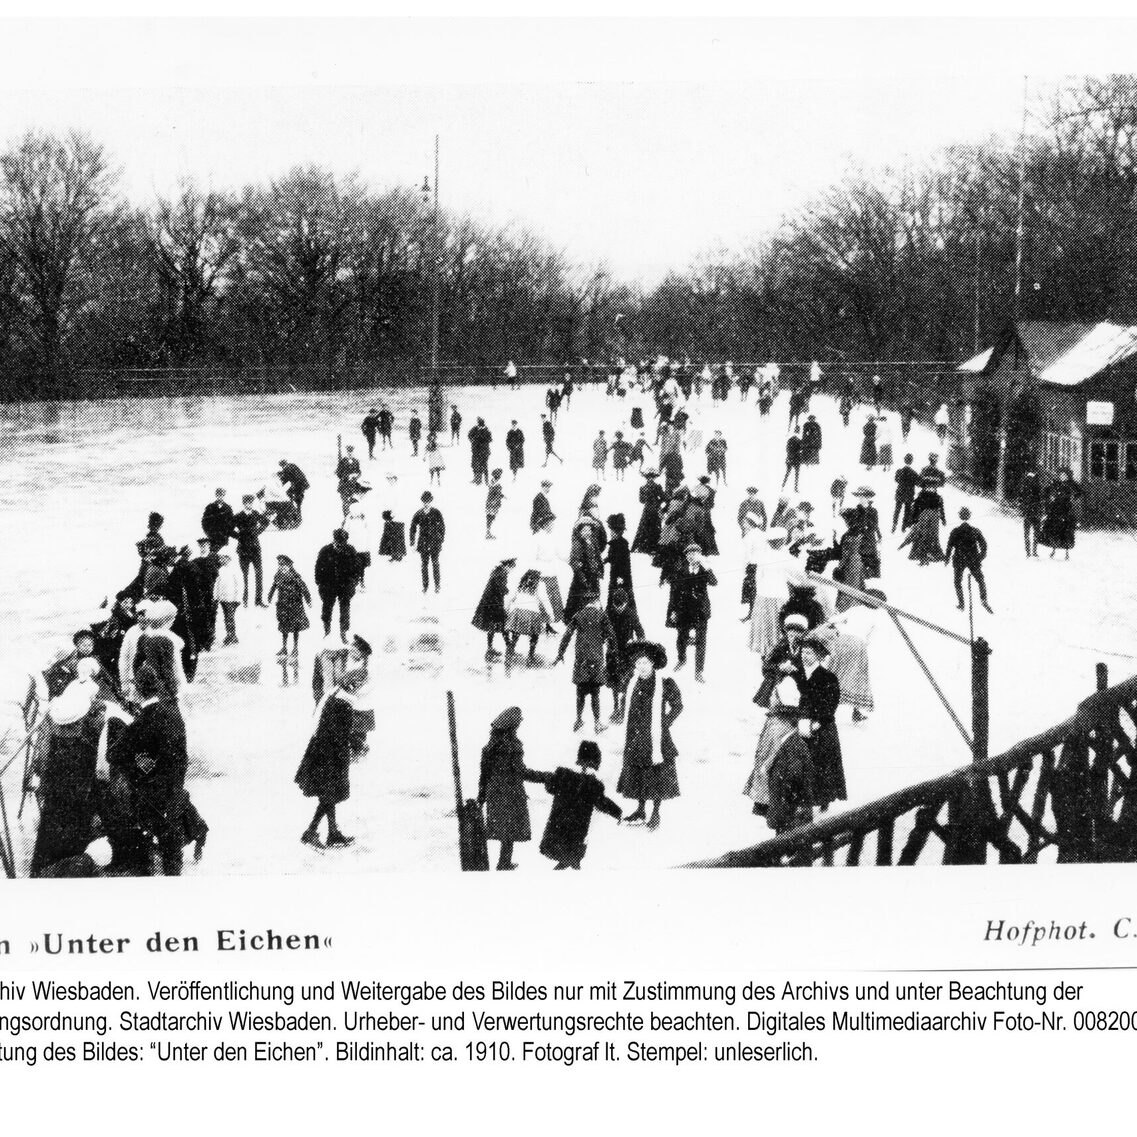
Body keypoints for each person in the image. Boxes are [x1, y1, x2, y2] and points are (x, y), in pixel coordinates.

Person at [107, 662, 189, 875]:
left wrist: (139, 763)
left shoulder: (143, 720)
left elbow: (114, 754)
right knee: (171, 838)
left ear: (137, 689)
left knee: (151, 835)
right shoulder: (172, 710)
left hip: (151, 792)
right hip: (176, 784)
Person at [616, 642, 682, 830]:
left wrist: (665, 723)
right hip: (635, 736)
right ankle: (640, 809)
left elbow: (678, 705)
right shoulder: (632, 681)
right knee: (638, 773)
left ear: (652, 663)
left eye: (644, 663)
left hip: (656, 737)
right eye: (638, 664)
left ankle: (655, 813)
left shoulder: (664, 682)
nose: (641, 667)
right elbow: (625, 702)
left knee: (656, 775)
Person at [743, 675, 816, 835]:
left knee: (779, 810)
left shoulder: (778, 726)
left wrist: (765, 766)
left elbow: (776, 752)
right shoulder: (777, 721)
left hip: (777, 778)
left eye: (773, 696)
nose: (770, 698)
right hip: (774, 773)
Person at [535, 741, 622, 869]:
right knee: (572, 860)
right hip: (575, 835)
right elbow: (602, 802)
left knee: (568, 861)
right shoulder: (594, 785)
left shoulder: (563, 775)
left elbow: (550, 787)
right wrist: (617, 812)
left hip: (556, 831)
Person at [477, 705, 542, 871]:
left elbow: (483, 773)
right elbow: (521, 771)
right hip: (511, 792)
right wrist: (545, 777)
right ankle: (504, 863)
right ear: (513, 727)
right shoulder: (513, 746)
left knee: (502, 829)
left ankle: (502, 862)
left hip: (494, 792)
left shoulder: (490, 746)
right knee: (510, 830)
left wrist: (481, 796)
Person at [296, 683, 359, 849]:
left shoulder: (332, 697)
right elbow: (341, 734)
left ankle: (332, 833)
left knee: (328, 795)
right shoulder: (343, 704)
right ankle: (310, 832)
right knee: (328, 796)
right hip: (331, 757)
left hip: (322, 753)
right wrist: (356, 744)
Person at [798, 633, 846, 814]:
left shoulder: (828, 678)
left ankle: (824, 799)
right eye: (803, 652)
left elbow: (830, 705)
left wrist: (817, 723)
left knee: (822, 764)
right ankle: (805, 800)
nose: (805, 656)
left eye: (809, 653)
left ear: (818, 656)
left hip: (822, 727)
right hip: (802, 725)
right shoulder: (800, 674)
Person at [555, 591, 614, 732]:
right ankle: (597, 723)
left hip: (581, 659)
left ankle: (578, 720)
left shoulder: (578, 615)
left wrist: (560, 653)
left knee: (580, 692)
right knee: (595, 693)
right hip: (596, 659)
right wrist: (612, 651)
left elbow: (567, 635)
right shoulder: (602, 615)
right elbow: (611, 636)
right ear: (595, 601)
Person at [667, 544, 717, 682]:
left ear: (700, 555)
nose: (692, 555)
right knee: (681, 638)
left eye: (695, 553)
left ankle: (699, 671)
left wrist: (707, 567)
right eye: (689, 553)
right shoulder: (680, 570)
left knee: (701, 641)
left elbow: (714, 582)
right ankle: (681, 659)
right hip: (684, 610)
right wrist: (673, 611)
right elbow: (674, 593)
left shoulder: (704, 569)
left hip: (701, 611)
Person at [606, 586, 644, 723]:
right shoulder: (609, 612)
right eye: (616, 606)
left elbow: (640, 631)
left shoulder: (631, 613)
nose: (618, 609)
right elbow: (602, 629)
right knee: (614, 682)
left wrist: (638, 645)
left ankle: (623, 709)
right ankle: (616, 708)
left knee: (627, 682)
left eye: (621, 606)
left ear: (626, 603)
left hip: (627, 654)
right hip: (612, 653)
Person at [755, 612, 808, 708]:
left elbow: (812, 666)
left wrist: (797, 668)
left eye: (798, 631)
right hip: (781, 675)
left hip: (800, 677)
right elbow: (767, 664)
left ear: (803, 633)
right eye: (790, 630)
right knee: (772, 678)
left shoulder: (807, 646)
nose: (793, 633)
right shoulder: (782, 645)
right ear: (786, 631)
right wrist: (780, 667)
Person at [945, 507, 992, 612]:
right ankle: (984, 600)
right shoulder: (975, 531)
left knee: (957, 582)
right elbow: (984, 545)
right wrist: (980, 557)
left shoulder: (955, 531)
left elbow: (949, 546)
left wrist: (947, 559)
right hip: (973, 560)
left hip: (959, 559)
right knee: (980, 580)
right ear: (969, 516)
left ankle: (961, 604)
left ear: (959, 516)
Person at [314, 529, 359, 637]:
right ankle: (327, 631)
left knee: (345, 609)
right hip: (328, 585)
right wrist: (320, 584)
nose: (340, 544)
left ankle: (343, 632)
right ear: (334, 540)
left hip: (345, 585)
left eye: (343, 542)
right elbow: (318, 568)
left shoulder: (351, 550)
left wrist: (353, 583)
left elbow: (357, 568)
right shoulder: (325, 551)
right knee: (327, 608)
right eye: (338, 542)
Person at [505, 569, 554, 666]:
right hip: (533, 613)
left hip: (518, 611)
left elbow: (511, 598)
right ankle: (530, 658)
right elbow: (544, 600)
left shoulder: (521, 583)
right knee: (534, 636)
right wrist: (550, 614)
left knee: (515, 635)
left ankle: (509, 656)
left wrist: (506, 610)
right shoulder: (539, 585)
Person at [267, 554, 312, 657]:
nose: (282, 567)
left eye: (284, 565)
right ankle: (284, 648)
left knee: (296, 627)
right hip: (282, 605)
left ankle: (295, 648)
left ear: (289, 566)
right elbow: (273, 587)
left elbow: (304, 588)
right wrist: (269, 596)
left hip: (295, 606)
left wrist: (308, 600)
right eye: (280, 565)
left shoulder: (296, 577)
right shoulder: (277, 576)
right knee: (284, 627)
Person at [473, 556, 515, 659]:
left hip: (489, 602)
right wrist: (506, 590)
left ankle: (490, 649)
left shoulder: (497, 571)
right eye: (512, 568)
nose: (511, 570)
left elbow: (496, 586)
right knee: (503, 624)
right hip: (494, 603)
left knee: (493, 625)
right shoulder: (502, 574)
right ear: (508, 566)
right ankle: (509, 649)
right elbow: (500, 589)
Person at [564, 516, 604, 625]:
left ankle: (593, 619)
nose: (587, 532)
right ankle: (574, 621)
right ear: (580, 531)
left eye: (589, 529)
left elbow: (598, 557)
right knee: (578, 599)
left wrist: (600, 569)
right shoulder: (577, 544)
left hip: (593, 576)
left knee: (594, 597)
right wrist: (582, 577)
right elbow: (574, 561)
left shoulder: (593, 542)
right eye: (584, 530)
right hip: (582, 577)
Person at [231, 494, 268, 608]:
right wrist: (239, 536)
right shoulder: (238, 516)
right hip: (243, 550)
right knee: (244, 576)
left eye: (251, 502)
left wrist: (257, 532)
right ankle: (245, 600)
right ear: (243, 503)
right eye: (247, 502)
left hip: (255, 548)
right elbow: (229, 529)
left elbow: (265, 522)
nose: (249, 504)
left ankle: (259, 600)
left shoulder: (256, 514)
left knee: (259, 574)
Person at [899, 477, 947, 566]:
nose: (930, 488)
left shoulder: (938, 498)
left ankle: (931, 554)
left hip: (934, 521)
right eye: (928, 486)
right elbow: (915, 509)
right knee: (921, 537)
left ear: (935, 487)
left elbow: (941, 509)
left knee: (933, 537)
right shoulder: (920, 497)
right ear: (924, 487)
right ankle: (922, 556)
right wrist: (912, 521)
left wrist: (943, 519)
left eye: (933, 487)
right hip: (923, 520)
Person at [1039, 466, 1082, 559]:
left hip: (1066, 509)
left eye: (1064, 476)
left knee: (1066, 530)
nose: (1063, 477)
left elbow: (1079, 492)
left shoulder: (1071, 484)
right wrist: (1051, 497)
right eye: (1061, 475)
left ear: (1067, 476)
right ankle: (1053, 548)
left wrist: (1073, 498)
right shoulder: (1056, 483)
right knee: (1054, 529)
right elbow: (1046, 491)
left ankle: (1066, 552)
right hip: (1056, 508)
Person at [409, 491, 445, 593]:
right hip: (423, 542)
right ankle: (425, 586)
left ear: (431, 501)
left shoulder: (436, 512)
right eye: (424, 501)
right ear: (422, 502)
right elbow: (413, 527)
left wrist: (441, 538)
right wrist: (412, 542)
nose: (426, 503)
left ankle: (437, 585)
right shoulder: (418, 513)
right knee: (424, 564)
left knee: (435, 563)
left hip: (434, 542)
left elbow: (442, 526)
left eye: (428, 501)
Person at [603, 513, 635, 611]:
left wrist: (621, 576)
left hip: (620, 576)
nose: (610, 533)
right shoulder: (615, 543)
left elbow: (624, 563)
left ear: (617, 531)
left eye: (611, 530)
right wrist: (605, 561)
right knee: (615, 595)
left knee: (621, 596)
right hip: (615, 575)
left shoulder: (622, 544)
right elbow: (612, 557)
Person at [632, 471, 665, 556]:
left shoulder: (643, 487)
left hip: (647, 509)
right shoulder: (657, 486)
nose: (650, 479)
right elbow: (663, 497)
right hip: (655, 508)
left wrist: (648, 498)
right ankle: (654, 546)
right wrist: (658, 502)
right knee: (655, 526)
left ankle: (644, 546)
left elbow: (641, 500)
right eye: (650, 477)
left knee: (645, 526)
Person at [214, 552, 242, 646]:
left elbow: (239, 584)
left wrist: (238, 597)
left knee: (230, 617)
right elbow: (217, 584)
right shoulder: (220, 570)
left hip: (232, 598)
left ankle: (231, 635)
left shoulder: (235, 569)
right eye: (220, 558)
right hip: (223, 598)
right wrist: (216, 596)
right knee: (227, 618)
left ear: (228, 558)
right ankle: (230, 635)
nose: (220, 560)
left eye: (222, 558)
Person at [1019, 467, 1044, 557]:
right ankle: (1032, 551)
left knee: (1028, 532)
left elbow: (1021, 498)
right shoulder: (1036, 483)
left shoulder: (1026, 483)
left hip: (1031, 511)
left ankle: (1030, 551)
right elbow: (1041, 498)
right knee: (1034, 532)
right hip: (1033, 511)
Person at [892, 453, 920, 533]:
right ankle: (903, 527)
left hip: (900, 494)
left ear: (904, 460)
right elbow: (918, 483)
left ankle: (894, 524)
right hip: (909, 495)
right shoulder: (914, 473)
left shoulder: (899, 471)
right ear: (911, 462)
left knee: (897, 510)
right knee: (907, 511)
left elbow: (896, 480)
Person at [468, 418, 492, 485]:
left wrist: (482, 438)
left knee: (484, 465)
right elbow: (469, 435)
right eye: (478, 424)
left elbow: (490, 439)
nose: (479, 426)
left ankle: (486, 480)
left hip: (484, 451)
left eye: (480, 424)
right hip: (475, 451)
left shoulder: (486, 430)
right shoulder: (475, 428)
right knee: (474, 465)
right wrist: (472, 440)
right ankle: (476, 479)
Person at [485, 469, 505, 539]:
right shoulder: (495, 484)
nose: (500, 476)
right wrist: (499, 496)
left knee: (491, 518)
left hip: (492, 503)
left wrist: (502, 496)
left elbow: (496, 493)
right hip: (493, 503)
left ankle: (489, 532)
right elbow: (494, 493)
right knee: (490, 518)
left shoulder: (493, 482)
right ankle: (488, 533)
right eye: (499, 475)